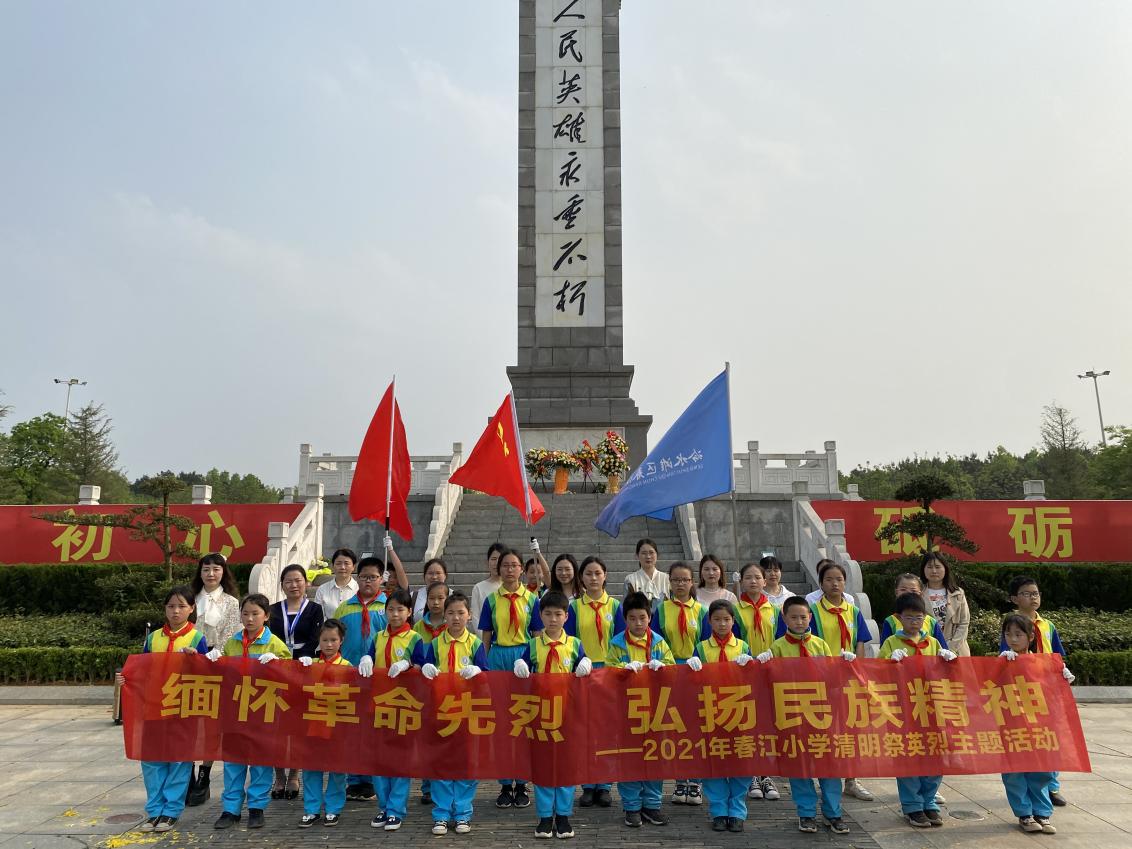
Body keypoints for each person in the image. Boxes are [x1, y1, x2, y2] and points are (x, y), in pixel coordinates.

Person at [116, 586, 209, 833]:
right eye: (170, 606)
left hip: (183, 707)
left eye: (181, 606)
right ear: (164, 609)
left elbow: (207, 675)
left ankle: (171, 811)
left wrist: (196, 659)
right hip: (154, 707)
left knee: (179, 760)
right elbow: (142, 671)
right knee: (152, 760)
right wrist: (127, 681)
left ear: (191, 609)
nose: (175, 611)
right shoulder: (152, 638)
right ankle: (154, 810)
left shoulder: (197, 639)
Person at [760, 596, 849, 834]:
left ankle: (833, 813)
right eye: (793, 617)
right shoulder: (777, 647)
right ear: (784, 618)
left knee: (829, 766)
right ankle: (806, 813)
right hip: (792, 714)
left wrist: (844, 665)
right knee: (800, 766)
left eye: (803, 617)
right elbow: (769, 681)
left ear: (810, 617)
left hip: (821, 714)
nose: (799, 622)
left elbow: (831, 677)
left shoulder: (820, 645)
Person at [789, 559, 873, 802]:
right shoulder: (812, 611)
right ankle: (821, 773)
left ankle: (851, 779)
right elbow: (807, 641)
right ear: (821, 583)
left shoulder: (853, 610)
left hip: (847, 678)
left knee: (848, 728)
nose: (835, 583)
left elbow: (860, 641)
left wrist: (857, 670)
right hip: (821, 678)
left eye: (839, 579)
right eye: (829, 579)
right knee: (821, 727)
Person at [208, 593, 291, 830]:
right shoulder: (232, 643)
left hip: (262, 711)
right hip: (234, 712)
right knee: (233, 762)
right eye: (245, 613)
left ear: (266, 616)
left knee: (260, 762)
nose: (250, 618)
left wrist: (279, 662)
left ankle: (257, 808)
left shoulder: (274, 643)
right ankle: (230, 809)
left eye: (255, 614)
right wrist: (213, 659)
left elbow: (292, 675)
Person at [514, 590, 592, 839]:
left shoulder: (575, 644)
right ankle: (545, 816)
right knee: (544, 765)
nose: (553, 619)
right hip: (541, 714)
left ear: (567, 616)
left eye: (558, 614)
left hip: (567, 713)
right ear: (540, 616)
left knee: (567, 765)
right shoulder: (533, 645)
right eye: (547, 614)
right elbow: (524, 668)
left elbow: (584, 669)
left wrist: (587, 665)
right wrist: (521, 664)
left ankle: (564, 816)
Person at [878, 594, 958, 828]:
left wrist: (949, 660)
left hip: (931, 709)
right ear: (899, 618)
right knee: (909, 757)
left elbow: (946, 675)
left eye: (919, 617)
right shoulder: (892, 642)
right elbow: (879, 673)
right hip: (904, 709)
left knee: (934, 755)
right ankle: (912, 805)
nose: (915, 622)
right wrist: (888, 661)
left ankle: (929, 801)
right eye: (909, 617)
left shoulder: (932, 643)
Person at [480, 547, 543, 810]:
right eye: (505, 565)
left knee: (524, 720)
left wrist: (536, 662)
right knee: (503, 724)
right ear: (499, 569)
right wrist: (484, 665)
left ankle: (522, 782)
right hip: (499, 656)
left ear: (521, 569)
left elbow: (538, 632)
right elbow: (485, 635)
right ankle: (506, 784)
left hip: (524, 657)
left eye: (514, 565)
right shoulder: (491, 600)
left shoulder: (532, 599)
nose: (509, 569)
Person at [1001, 575, 1072, 807]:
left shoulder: (1047, 625)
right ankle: (1028, 788)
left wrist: (1062, 671)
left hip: (1046, 687)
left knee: (1051, 736)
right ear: (1014, 598)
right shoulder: (1012, 624)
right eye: (1026, 593)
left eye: (1035, 593)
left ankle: (1052, 786)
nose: (1032, 597)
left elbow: (1057, 654)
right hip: (1022, 689)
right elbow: (1005, 656)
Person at [420, 591, 487, 835]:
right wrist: (426, 669)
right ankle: (441, 814)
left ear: (469, 616)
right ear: (443, 616)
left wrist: (478, 671)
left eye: (461, 613)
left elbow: (487, 677)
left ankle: (463, 813)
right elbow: (425, 677)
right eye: (451, 613)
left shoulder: (476, 644)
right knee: (441, 763)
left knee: (466, 763)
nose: (456, 618)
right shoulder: (435, 644)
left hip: (467, 712)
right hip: (442, 711)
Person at [359, 589, 426, 831]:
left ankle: (397, 809)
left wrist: (408, 664)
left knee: (399, 759)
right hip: (378, 704)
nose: (395, 614)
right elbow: (368, 659)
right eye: (391, 609)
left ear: (409, 612)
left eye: (400, 609)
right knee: (379, 758)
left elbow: (423, 666)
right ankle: (384, 807)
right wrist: (365, 659)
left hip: (403, 706)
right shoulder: (378, 637)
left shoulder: (415, 638)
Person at [607, 591, 673, 828]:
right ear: (625, 619)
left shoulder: (659, 642)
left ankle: (652, 805)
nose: (638, 623)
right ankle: (632, 806)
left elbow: (672, 668)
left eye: (642, 618)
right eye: (633, 618)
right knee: (629, 758)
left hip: (655, 709)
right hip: (626, 711)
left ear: (649, 618)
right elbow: (608, 672)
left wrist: (662, 666)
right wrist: (621, 669)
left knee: (654, 757)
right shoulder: (616, 643)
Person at [687, 600, 753, 833]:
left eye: (726, 619)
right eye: (717, 619)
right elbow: (694, 683)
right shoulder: (702, 648)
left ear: (734, 621)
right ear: (709, 622)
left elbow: (752, 681)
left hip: (739, 712)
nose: (722, 624)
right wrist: (691, 667)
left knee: (740, 762)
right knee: (713, 761)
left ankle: (736, 811)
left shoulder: (743, 647)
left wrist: (751, 665)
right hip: (711, 711)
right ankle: (718, 811)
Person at [564, 555, 623, 808]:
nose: (593, 578)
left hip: (608, 671)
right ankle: (587, 784)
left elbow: (621, 639)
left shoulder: (615, 606)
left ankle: (605, 784)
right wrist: (579, 663)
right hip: (583, 671)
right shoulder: (575, 607)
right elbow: (569, 641)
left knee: (607, 730)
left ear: (605, 575)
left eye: (597, 573)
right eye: (588, 574)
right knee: (585, 730)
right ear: (582, 578)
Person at [650, 561, 708, 805]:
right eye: (675, 580)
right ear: (669, 583)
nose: (681, 584)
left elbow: (706, 642)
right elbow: (654, 641)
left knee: (696, 728)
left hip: (696, 673)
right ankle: (678, 780)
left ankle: (695, 781)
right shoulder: (661, 610)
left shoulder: (702, 611)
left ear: (692, 582)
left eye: (685, 580)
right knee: (674, 728)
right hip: (670, 673)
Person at [188, 552, 241, 806]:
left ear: (223, 572)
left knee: (211, 722)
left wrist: (214, 654)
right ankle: (186, 771)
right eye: (206, 568)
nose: (211, 573)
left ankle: (204, 775)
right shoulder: (190, 600)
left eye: (216, 569)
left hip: (217, 665)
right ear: (200, 572)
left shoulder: (231, 602)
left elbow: (231, 634)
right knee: (188, 720)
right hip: (188, 665)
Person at [999, 614, 1060, 833]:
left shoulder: (1042, 662)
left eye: (1018, 634)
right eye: (1008, 634)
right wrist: (1001, 667)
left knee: (1042, 769)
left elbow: (1051, 692)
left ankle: (1043, 813)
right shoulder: (1002, 661)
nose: (1013, 639)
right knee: (1015, 771)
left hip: (1039, 724)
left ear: (1031, 637)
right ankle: (1024, 814)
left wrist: (1061, 675)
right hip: (1012, 725)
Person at [333, 556, 388, 801]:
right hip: (350, 676)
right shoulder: (345, 607)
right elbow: (333, 637)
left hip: (379, 678)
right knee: (352, 729)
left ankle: (372, 779)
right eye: (364, 577)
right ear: (357, 578)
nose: (368, 581)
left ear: (381, 579)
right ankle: (354, 780)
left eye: (373, 577)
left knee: (375, 730)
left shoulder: (389, 606)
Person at [268, 563, 324, 800]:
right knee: (277, 725)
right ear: (282, 585)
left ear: (306, 583)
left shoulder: (314, 609)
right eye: (289, 581)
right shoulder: (272, 610)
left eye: (298, 580)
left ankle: (294, 775)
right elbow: (269, 637)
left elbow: (315, 639)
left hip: (303, 669)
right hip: (277, 671)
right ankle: (278, 776)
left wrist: (302, 660)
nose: (294, 585)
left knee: (298, 724)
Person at [295, 619, 351, 827]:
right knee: (311, 768)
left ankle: (334, 808)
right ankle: (311, 809)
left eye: (333, 640)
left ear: (341, 641)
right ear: (319, 640)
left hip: (337, 725)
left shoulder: (347, 667)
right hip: (314, 724)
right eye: (325, 640)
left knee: (337, 769)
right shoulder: (311, 665)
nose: (329, 644)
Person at [733, 561, 780, 801]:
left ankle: (766, 774)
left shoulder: (774, 609)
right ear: (741, 581)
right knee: (748, 722)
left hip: (769, 672)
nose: (753, 581)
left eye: (757, 577)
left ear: (765, 581)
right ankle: (751, 773)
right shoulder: (735, 609)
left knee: (767, 724)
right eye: (748, 577)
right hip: (745, 673)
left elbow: (781, 639)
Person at [411, 580, 448, 806]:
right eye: (432, 598)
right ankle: (427, 785)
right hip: (424, 690)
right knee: (427, 738)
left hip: (449, 691)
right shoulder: (417, 628)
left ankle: (444, 780)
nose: (435, 602)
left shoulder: (454, 625)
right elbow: (414, 657)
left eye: (440, 598)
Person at [878, 573, 949, 648]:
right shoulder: (890, 621)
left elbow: (943, 649)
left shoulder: (931, 621)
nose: (908, 593)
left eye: (913, 591)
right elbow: (884, 651)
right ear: (896, 592)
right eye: (903, 590)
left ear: (921, 594)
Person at [920, 553, 971, 657]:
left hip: (957, 650)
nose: (934, 571)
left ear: (945, 569)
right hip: (928, 650)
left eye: (938, 567)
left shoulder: (958, 593)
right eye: (929, 567)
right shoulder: (918, 594)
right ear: (923, 570)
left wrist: (950, 649)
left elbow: (964, 623)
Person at [623, 538, 669, 612]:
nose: (648, 556)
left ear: (657, 555)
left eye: (651, 552)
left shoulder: (667, 579)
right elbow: (627, 608)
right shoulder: (630, 580)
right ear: (637, 556)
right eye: (644, 553)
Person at [470, 543, 506, 635]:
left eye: (500, 559)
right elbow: (475, 617)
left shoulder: (511, 587)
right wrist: (485, 641)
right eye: (493, 559)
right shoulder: (478, 588)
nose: (496, 563)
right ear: (487, 562)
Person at [314, 548, 359, 620]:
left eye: (346, 563)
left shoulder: (359, 589)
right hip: (328, 630)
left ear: (353, 566)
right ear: (332, 566)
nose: (342, 567)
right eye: (338, 563)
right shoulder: (322, 589)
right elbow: (319, 616)